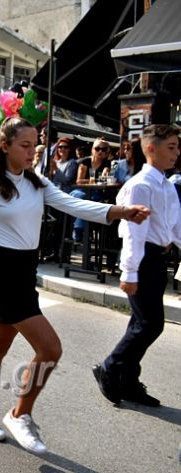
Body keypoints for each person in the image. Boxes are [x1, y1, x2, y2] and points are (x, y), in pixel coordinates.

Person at [0, 117, 149, 455]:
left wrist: (120, 211)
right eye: (25, 146)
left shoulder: (38, 182)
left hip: (25, 272)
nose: (32, 152)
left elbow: (74, 205)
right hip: (2, 274)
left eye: (34, 144)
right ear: (6, 147)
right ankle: (20, 414)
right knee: (51, 349)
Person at [93, 124, 181, 408]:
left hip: (157, 260)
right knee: (149, 324)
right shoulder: (140, 186)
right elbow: (133, 232)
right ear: (151, 149)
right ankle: (110, 367)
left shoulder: (167, 185)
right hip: (142, 259)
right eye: (171, 147)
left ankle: (128, 380)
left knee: (141, 322)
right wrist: (129, 271)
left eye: (178, 147)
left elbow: (175, 227)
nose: (177, 152)